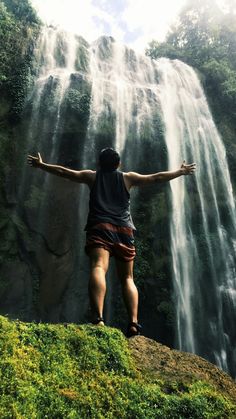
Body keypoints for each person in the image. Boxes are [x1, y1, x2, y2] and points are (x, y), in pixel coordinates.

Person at [27, 148, 196, 337]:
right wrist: (180, 172)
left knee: (99, 267)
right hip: (124, 230)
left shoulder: (91, 176)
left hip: (100, 228)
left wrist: (41, 165)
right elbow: (155, 178)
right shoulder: (128, 177)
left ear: (99, 163)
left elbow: (64, 172)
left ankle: (98, 319)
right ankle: (133, 323)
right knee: (128, 278)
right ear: (119, 164)